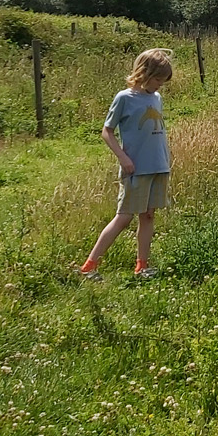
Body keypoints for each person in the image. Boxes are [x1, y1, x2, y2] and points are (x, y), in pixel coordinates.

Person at [80, 48, 173, 280]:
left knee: (149, 215)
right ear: (144, 73)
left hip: (158, 166)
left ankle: (142, 266)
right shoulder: (125, 98)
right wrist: (123, 157)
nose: (161, 84)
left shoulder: (156, 98)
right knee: (124, 216)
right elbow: (107, 131)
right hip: (136, 168)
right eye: (159, 79)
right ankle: (90, 266)